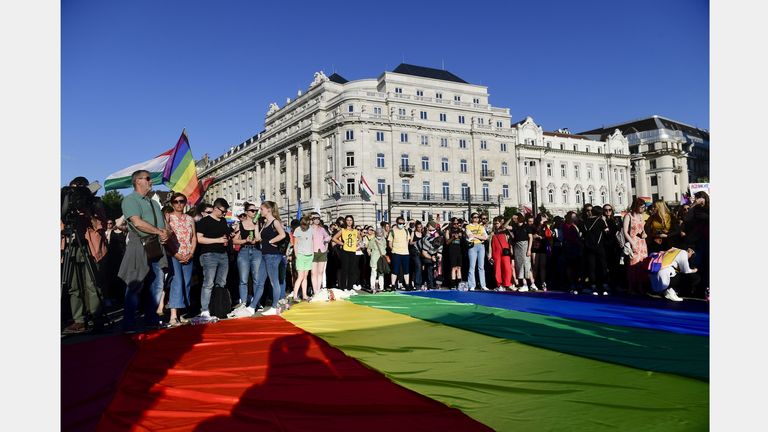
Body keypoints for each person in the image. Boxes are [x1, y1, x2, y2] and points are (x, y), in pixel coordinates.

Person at [118, 170, 171, 332]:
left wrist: (166, 234)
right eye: (148, 178)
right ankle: (129, 324)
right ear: (137, 181)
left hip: (156, 245)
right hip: (139, 245)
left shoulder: (154, 203)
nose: (151, 181)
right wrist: (159, 232)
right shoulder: (130, 200)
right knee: (135, 284)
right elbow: (137, 222)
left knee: (157, 285)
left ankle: (151, 320)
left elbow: (165, 225)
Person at [61, 176, 108, 334]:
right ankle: (79, 320)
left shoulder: (94, 203)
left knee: (92, 284)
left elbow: (102, 226)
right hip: (72, 245)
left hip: (90, 247)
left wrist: (88, 213)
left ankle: (97, 318)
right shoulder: (65, 202)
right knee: (73, 286)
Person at [194, 197, 231, 321]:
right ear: (215, 208)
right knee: (208, 283)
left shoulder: (223, 221)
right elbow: (199, 239)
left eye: (225, 212)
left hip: (223, 254)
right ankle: (205, 309)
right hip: (209, 255)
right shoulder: (204, 222)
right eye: (222, 211)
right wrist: (217, 240)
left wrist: (227, 239)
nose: (224, 213)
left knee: (221, 283)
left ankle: (218, 308)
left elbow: (225, 235)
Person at [165, 192, 197, 326]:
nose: (179, 204)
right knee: (176, 282)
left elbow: (194, 237)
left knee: (186, 283)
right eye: (176, 201)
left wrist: (191, 253)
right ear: (172, 203)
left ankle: (179, 313)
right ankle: (173, 316)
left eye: (182, 201)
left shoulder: (190, 219)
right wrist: (175, 253)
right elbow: (165, 237)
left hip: (188, 254)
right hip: (174, 254)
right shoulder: (168, 217)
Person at [230, 202, 261, 313]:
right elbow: (234, 240)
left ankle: (256, 302)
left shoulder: (258, 223)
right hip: (244, 251)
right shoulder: (240, 224)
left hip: (256, 251)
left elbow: (258, 238)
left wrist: (255, 235)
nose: (255, 213)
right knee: (243, 279)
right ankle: (243, 302)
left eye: (256, 211)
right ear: (247, 212)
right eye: (252, 211)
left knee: (256, 279)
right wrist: (245, 240)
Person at [623, 198, 649, 296]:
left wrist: (644, 234)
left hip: (642, 243)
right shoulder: (628, 216)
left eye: (644, 207)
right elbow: (625, 231)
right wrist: (632, 242)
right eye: (641, 206)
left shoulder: (642, 216)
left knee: (642, 264)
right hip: (633, 241)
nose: (643, 208)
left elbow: (642, 230)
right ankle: (631, 287)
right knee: (632, 265)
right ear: (636, 206)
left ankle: (640, 287)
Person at [581, 206, 609, 296]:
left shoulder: (584, 222)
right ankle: (603, 286)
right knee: (602, 266)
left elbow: (581, 234)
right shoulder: (600, 221)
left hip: (588, 247)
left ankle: (593, 286)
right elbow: (607, 232)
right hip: (599, 247)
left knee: (591, 267)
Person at [332, 215, 361, 291]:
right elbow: (334, 238)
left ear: (352, 221)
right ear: (345, 221)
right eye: (347, 220)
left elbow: (360, 238)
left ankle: (350, 287)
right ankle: (343, 287)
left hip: (352, 251)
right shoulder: (342, 230)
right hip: (345, 251)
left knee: (352, 270)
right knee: (344, 269)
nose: (349, 222)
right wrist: (342, 243)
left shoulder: (355, 231)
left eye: (350, 220)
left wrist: (357, 243)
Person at [290, 215, 314, 302]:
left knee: (305, 276)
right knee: (300, 276)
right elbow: (295, 243)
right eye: (303, 225)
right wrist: (296, 255)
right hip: (300, 255)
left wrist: (312, 253)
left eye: (306, 225)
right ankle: (295, 295)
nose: (304, 227)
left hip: (309, 255)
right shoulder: (297, 230)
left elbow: (312, 241)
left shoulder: (311, 229)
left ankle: (304, 295)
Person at [488, 216, 514, 291]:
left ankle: (507, 283)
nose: (496, 225)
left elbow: (510, 241)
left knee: (507, 268)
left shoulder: (505, 230)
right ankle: (499, 284)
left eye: (497, 223)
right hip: (496, 252)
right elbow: (490, 244)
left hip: (505, 251)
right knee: (497, 268)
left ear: (500, 223)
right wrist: (490, 253)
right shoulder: (492, 233)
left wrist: (510, 218)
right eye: (494, 223)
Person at [388, 216, 413, 290]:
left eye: (403, 223)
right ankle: (393, 285)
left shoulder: (406, 230)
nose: (401, 224)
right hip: (396, 253)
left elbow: (408, 241)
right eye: (400, 223)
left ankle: (407, 285)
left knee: (406, 270)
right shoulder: (392, 231)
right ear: (396, 223)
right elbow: (390, 242)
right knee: (395, 270)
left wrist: (405, 248)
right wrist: (393, 249)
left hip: (405, 253)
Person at [511, 213, 535, 291]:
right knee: (520, 265)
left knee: (526, 264)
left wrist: (529, 249)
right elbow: (505, 226)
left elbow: (530, 238)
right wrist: (510, 218)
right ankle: (525, 284)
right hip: (517, 246)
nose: (515, 219)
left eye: (516, 218)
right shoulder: (515, 227)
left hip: (525, 245)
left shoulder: (526, 226)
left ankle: (530, 284)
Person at [465, 213, 489, 291]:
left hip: (481, 246)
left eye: (478, 217)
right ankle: (472, 285)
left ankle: (483, 285)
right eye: (474, 217)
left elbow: (485, 237)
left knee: (481, 267)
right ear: (471, 218)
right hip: (472, 247)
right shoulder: (468, 226)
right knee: (472, 266)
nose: (476, 219)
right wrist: (479, 236)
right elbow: (469, 236)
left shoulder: (481, 226)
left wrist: (475, 236)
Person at [417, 221, 442, 290]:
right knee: (425, 266)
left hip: (429, 251)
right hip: (418, 251)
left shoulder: (439, 242)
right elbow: (424, 253)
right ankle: (422, 284)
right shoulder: (427, 240)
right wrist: (431, 257)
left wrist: (438, 259)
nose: (432, 231)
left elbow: (439, 254)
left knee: (432, 267)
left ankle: (431, 284)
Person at [562, 211, 583, 294]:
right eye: (573, 217)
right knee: (571, 267)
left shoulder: (577, 225)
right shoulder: (566, 226)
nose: (575, 218)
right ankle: (572, 284)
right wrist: (579, 242)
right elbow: (569, 237)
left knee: (578, 267)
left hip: (577, 248)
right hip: (570, 248)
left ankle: (578, 283)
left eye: (575, 217)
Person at [310, 212, 331, 293]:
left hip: (321, 252)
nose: (317, 220)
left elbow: (328, 237)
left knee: (320, 272)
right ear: (312, 220)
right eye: (315, 218)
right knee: (313, 272)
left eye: (318, 219)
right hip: (312, 252)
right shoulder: (309, 229)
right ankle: (315, 290)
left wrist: (325, 244)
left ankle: (318, 289)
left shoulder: (322, 229)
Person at [531, 214, 550, 291]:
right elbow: (532, 234)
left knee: (542, 266)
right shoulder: (534, 226)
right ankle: (533, 283)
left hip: (543, 247)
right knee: (535, 266)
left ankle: (543, 283)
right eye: (544, 217)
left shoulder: (546, 226)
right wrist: (535, 236)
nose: (546, 219)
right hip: (535, 247)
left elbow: (548, 236)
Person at [366, 227, 389, 293]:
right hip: (374, 259)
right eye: (378, 233)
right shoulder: (373, 240)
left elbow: (384, 247)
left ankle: (381, 287)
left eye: (381, 232)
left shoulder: (384, 240)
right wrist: (370, 254)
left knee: (381, 273)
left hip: (381, 259)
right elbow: (368, 249)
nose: (380, 234)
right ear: (376, 233)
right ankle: (372, 287)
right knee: (374, 273)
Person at [444, 218, 464, 289]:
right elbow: (447, 242)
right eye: (454, 223)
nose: (456, 225)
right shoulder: (448, 230)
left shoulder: (460, 230)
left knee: (459, 267)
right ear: (451, 223)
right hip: (452, 250)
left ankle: (459, 283)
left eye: (457, 223)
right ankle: (452, 284)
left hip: (459, 250)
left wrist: (462, 236)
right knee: (453, 267)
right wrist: (453, 237)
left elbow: (463, 241)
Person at [409, 221, 425, 290]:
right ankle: (417, 284)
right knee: (418, 267)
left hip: (422, 252)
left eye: (420, 227)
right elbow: (410, 242)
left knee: (421, 268)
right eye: (418, 227)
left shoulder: (423, 234)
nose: (419, 228)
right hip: (414, 252)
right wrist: (417, 242)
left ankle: (420, 283)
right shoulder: (413, 233)